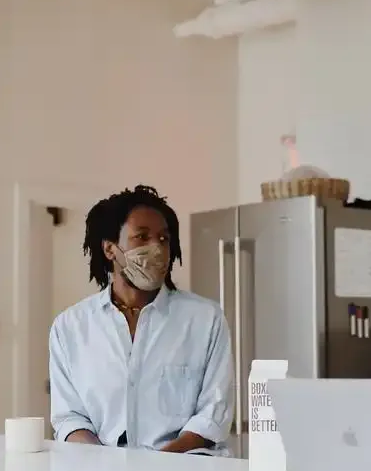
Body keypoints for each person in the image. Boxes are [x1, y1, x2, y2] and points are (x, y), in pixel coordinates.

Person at [49, 185, 234, 455]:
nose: (156, 248)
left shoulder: (206, 320)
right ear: (110, 249)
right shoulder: (70, 328)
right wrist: (105, 465)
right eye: (142, 237)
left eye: (163, 238)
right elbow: (69, 418)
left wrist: (155, 466)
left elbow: (212, 416)